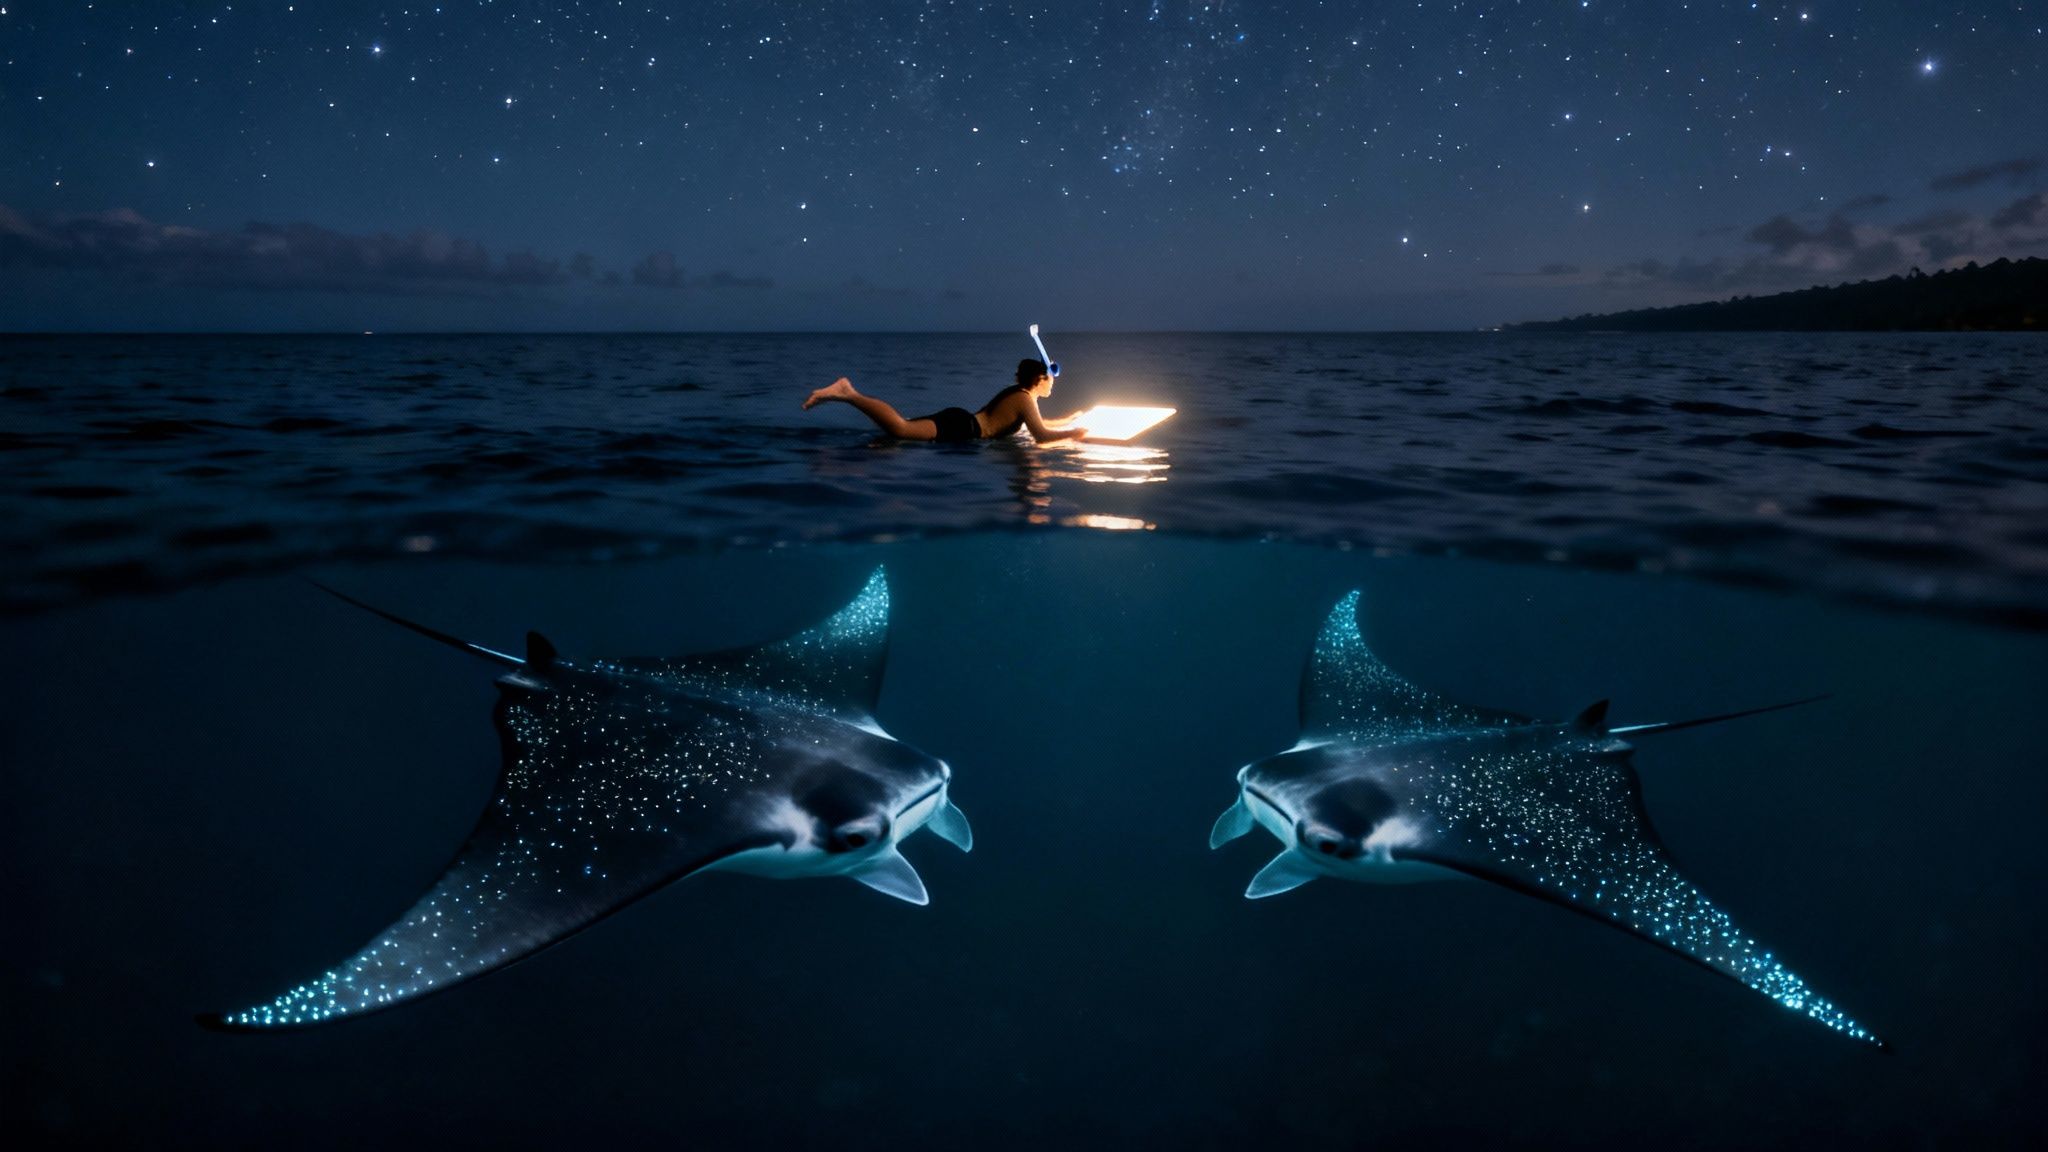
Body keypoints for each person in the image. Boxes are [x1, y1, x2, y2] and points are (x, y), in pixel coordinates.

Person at [802, 358, 1087, 444]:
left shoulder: (1019, 395)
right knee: (900, 429)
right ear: (1039, 379)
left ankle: (848, 395)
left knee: (897, 433)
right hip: (961, 428)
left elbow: (1039, 424)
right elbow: (1041, 437)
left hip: (960, 421)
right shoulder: (1025, 400)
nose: (1053, 385)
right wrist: (1075, 433)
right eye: (1051, 380)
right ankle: (848, 393)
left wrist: (1069, 419)